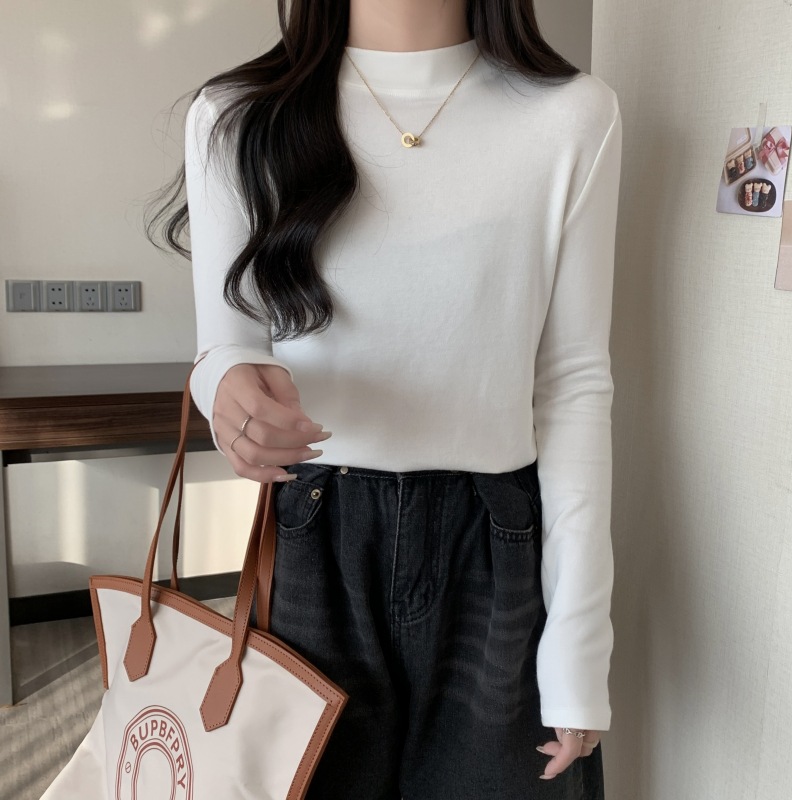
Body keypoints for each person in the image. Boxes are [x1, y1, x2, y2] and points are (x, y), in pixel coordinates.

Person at [146, 0, 622, 797]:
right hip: (316, 532)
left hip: (497, 542)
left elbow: (572, 382)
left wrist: (579, 646)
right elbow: (224, 344)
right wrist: (226, 389)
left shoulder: (573, 114)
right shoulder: (236, 115)